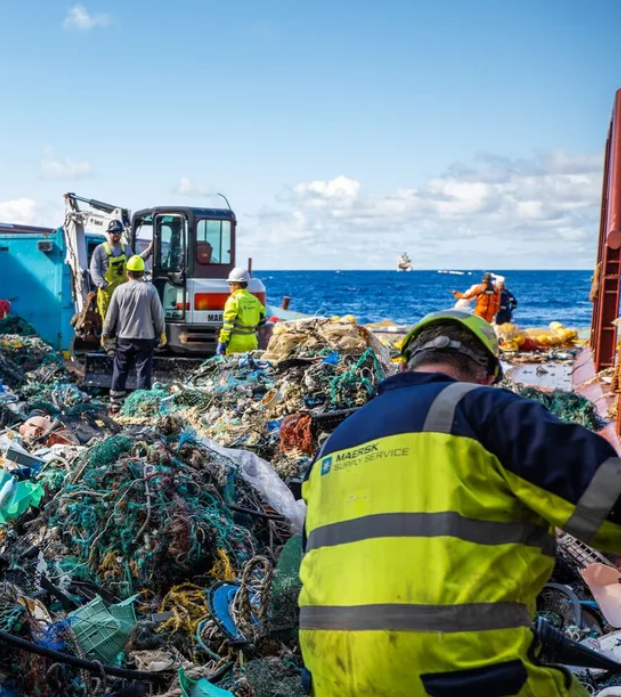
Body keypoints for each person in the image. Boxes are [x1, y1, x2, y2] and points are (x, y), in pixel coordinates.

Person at [300, 311, 620, 697]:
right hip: (460, 680)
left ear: (406, 366)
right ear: (488, 375)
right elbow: (610, 502)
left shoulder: (335, 442)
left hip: (329, 679)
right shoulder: (486, 411)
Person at [101, 255, 165, 400]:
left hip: (124, 338)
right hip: (145, 338)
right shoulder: (150, 290)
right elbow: (158, 316)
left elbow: (110, 316)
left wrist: (105, 334)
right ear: (143, 273)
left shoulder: (119, 290)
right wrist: (162, 333)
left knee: (121, 369)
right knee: (143, 371)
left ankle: (116, 401)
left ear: (127, 272)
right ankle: (142, 403)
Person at [217, 268, 264, 356]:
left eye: (230, 284)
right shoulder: (255, 300)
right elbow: (263, 319)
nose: (229, 286)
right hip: (252, 341)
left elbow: (228, 324)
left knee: (232, 367)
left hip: (236, 343)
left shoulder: (233, 300)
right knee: (249, 367)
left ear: (236, 285)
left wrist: (222, 341)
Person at [91, 220, 130, 317]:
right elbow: (94, 268)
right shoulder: (100, 249)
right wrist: (102, 284)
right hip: (108, 293)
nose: (116, 234)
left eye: (118, 232)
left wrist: (149, 251)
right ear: (109, 233)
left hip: (124, 292)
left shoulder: (126, 249)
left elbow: (136, 262)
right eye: (113, 232)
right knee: (108, 320)